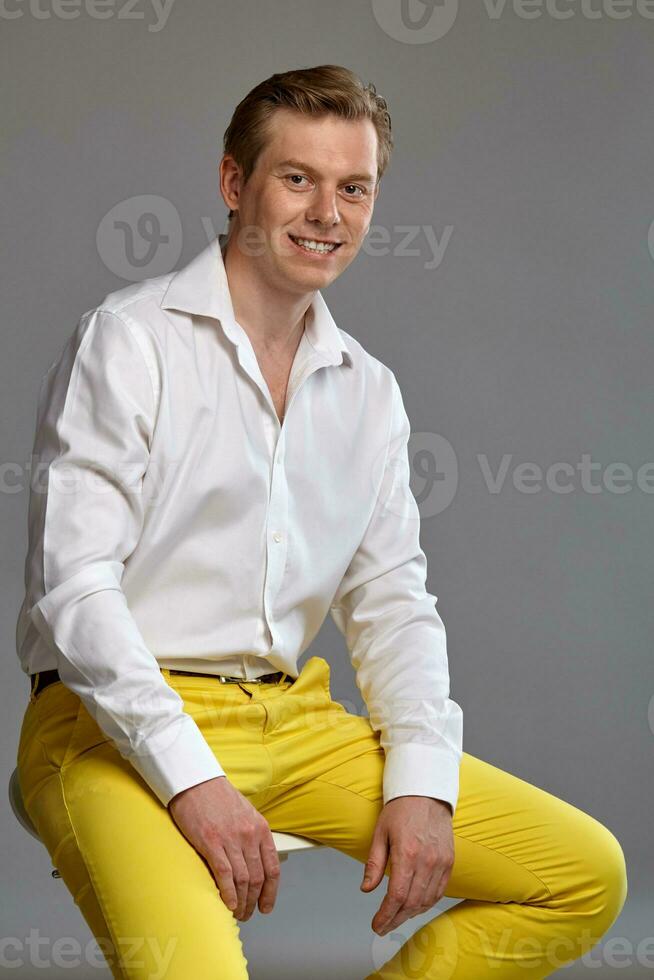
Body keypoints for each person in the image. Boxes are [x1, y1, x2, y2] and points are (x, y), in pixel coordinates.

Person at [15, 64, 627, 979]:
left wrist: (422, 776)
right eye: (297, 178)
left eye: (355, 188)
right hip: (109, 724)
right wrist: (192, 780)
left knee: (583, 875)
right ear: (235, 184)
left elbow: (392, 602)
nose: (326, 214)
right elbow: (76, 587)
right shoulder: (130, 340)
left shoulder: (368, 391)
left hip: (291, 720)